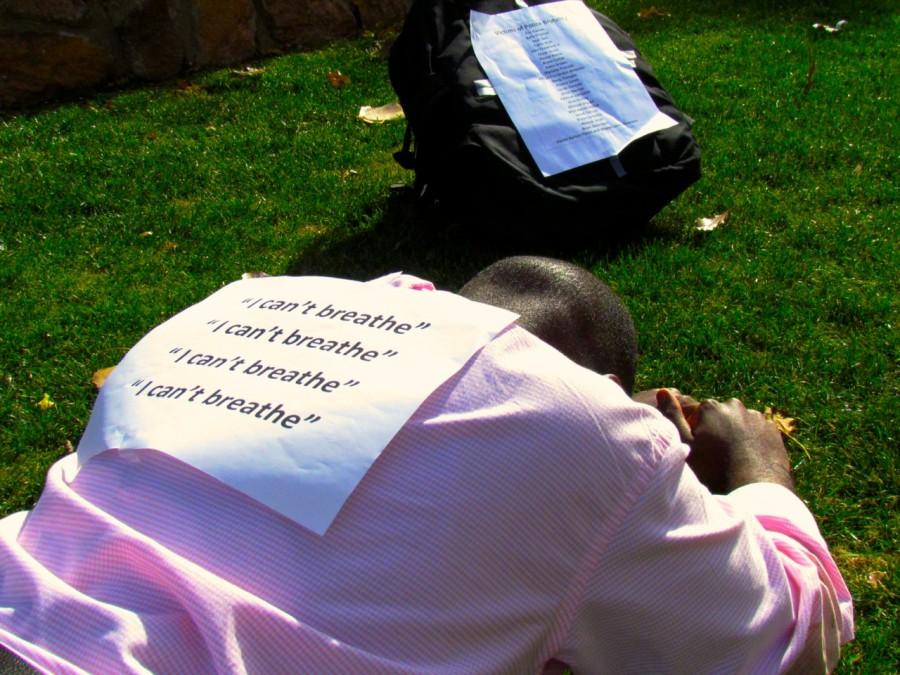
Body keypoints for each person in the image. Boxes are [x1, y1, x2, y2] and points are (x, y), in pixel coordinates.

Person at [0, 257, 853, 673]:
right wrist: (758, 474)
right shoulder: (582, 431)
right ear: (603, 390)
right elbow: (788, 640)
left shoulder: (225, 307)